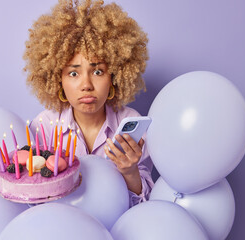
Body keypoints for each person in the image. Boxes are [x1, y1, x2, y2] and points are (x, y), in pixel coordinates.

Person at [24, 0, 153, 207]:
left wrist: (130, 172)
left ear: (114, 75)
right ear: (59, 80)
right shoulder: (43, 127)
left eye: (98, 71)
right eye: (73, 73)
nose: (86, 85)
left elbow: (143, 207)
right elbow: (36, 203)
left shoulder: (131, 123)